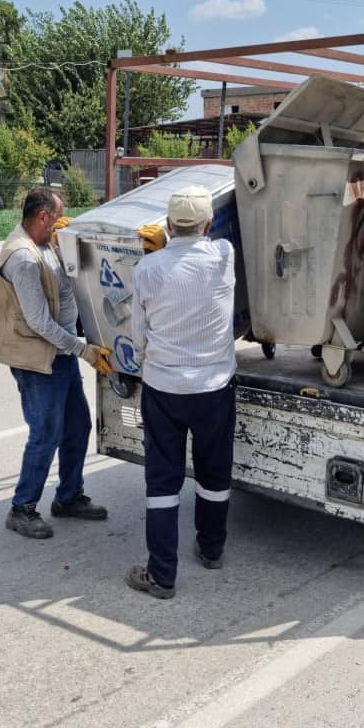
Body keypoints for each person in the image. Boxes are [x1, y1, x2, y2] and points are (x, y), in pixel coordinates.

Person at [126, 186, 237, 599]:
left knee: (162, 481)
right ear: (207, 224)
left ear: (168, 225)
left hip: (164, 387)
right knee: (213, 472)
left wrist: (144, 361)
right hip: (214, 388)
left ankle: (162, 575)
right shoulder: (225, 258)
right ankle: (211, 549)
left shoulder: (148, 270)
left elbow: (138, 333)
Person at [0, 186, 112, 539]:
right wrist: (83, 350)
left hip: (61, 356)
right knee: (46, 434)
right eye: (57, 218)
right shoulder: (24, 257)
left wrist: (65, 240)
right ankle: (22, 508)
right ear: (42, 216)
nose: (59, 223)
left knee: (78, 427)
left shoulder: (44, 245)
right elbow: (39, 322)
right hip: (39, 360)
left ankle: (69, 497)